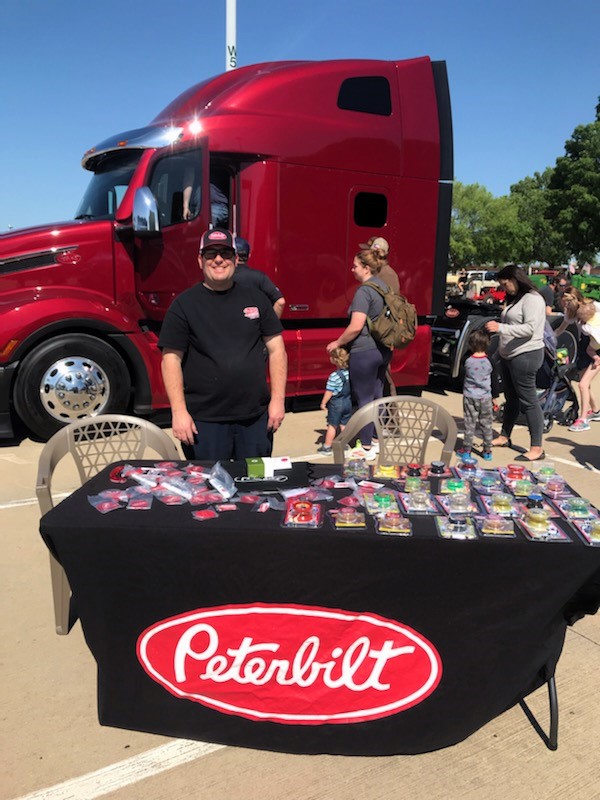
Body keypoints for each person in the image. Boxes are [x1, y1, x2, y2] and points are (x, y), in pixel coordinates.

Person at [159, 228, 287, 460]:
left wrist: (278, 401)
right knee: (210, 492)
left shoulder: (257, 299)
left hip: (255, 420)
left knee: (255, 488)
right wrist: (178, 413)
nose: (218, 259)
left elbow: (277, 349)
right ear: (200, 261)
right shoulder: (184, 305)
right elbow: (170, 360)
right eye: (210, 254)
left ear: (236, 259)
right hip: (205, 423)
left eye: (225, 253)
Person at [326, 249, 393, 460]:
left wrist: (337, 342)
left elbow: (355, 326)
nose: (352, 269)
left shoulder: (364, 291)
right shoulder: (384, 287)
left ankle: (365, 447)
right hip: (383, 349)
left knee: (364, 399)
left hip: (364, 351)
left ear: (366, 268)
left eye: (355, 265)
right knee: (377, 396)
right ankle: (375, 440)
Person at [485, 264, 546, 462]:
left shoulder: (533, 299)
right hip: (509, 355)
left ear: (515, 279)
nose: (504, 288)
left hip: (525, 356)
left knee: (529, 401)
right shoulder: (516, 299)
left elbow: (530, 328)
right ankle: (505, 436)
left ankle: (536, 447)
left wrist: (501, 328)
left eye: (505, 284)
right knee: (511, 399)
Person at [458, 328, 493, 460]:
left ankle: (466, 450)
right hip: (485, 397)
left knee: (469, 423)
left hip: (470, 396)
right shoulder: (490, 362)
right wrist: (494, 397)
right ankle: (487, 450)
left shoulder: (467, 360)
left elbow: (462, 376)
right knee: (486, 424)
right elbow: (494, 381)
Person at [233, 237, 286, 318]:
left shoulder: (221, 278)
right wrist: (271, 325)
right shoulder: (260, 277)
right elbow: (280, 302)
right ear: (249, 255)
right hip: (254, 327)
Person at [317, 347, 352, 454]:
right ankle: (344, 445)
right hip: (348, 402)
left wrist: (323, 403)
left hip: (336, 404)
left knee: (332, 425)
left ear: (334, 360)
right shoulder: (350, 373)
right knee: (344, 424)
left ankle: (327, 446)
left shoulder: (334, 376)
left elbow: (329, 391)